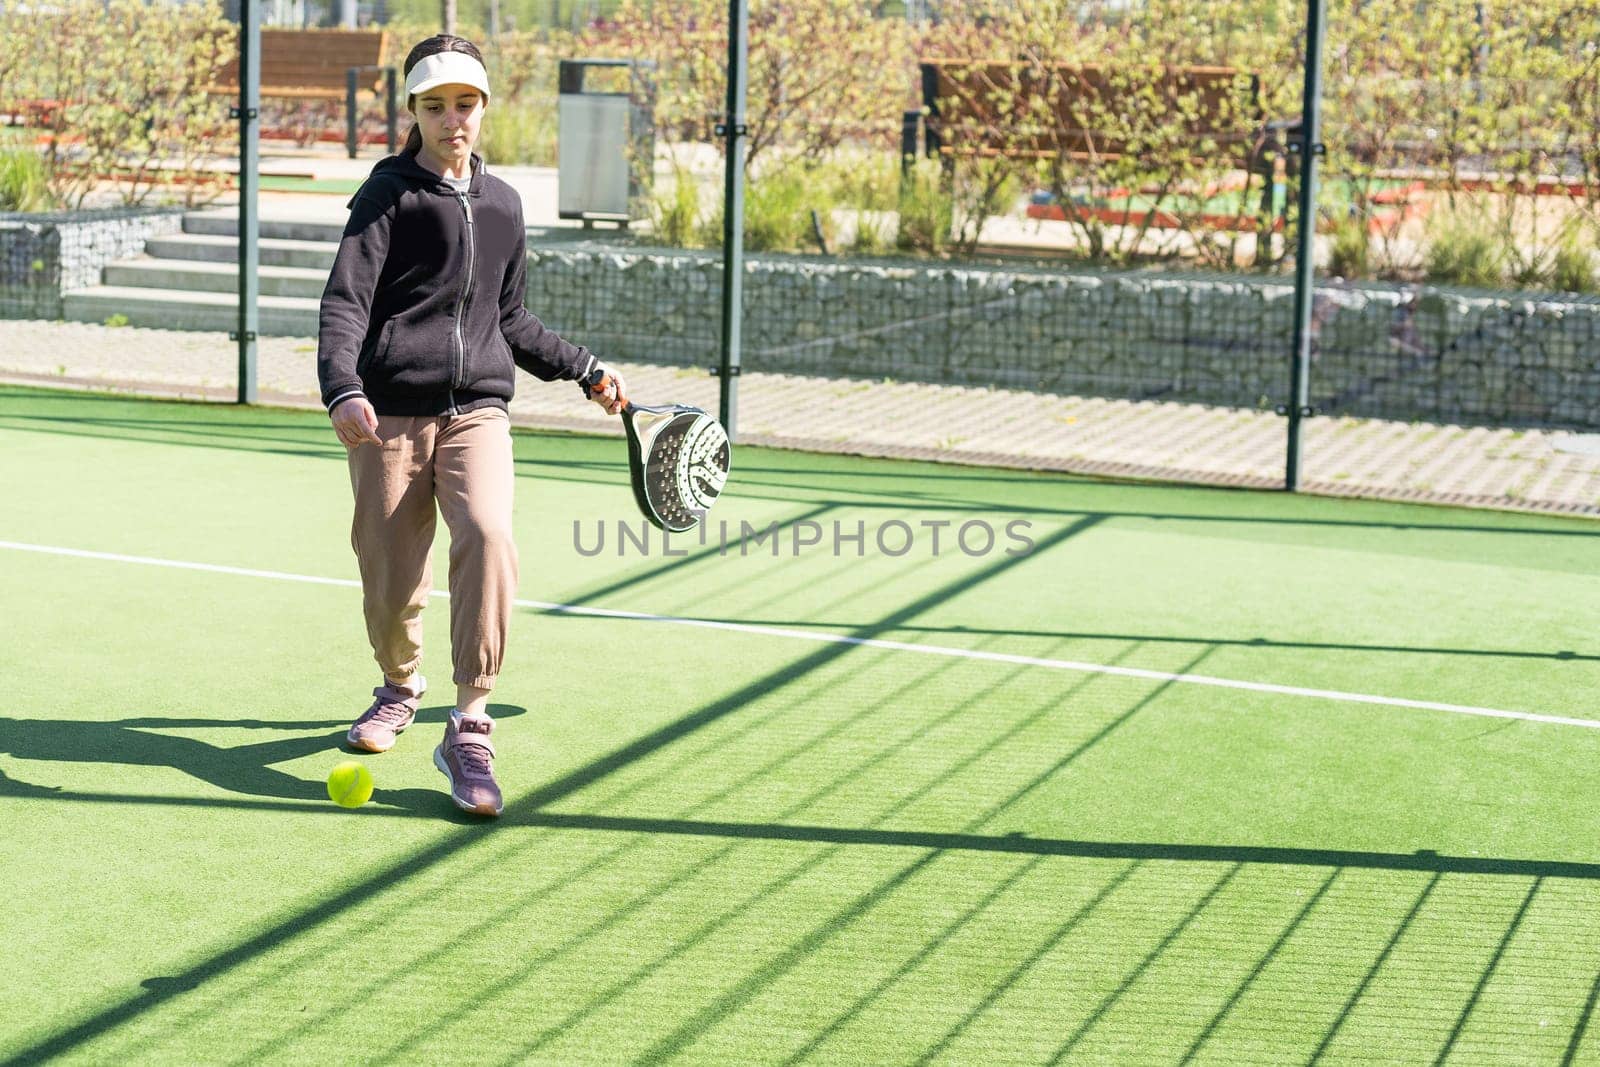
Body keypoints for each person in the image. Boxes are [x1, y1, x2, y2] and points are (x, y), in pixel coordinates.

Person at [316, 33, 625, 817]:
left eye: (465, 104)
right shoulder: (385, 196)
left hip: (478, 410)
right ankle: (399, 686)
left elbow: (510, 318)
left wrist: (585, 369)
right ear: (413, 112)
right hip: (389, 411)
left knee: (488, 532)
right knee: (389, 581)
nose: (452, 119)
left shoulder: (504, 204)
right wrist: (343, 388)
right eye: (435, 106)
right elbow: (346, 303)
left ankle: (468, 721)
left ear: (483, 109)